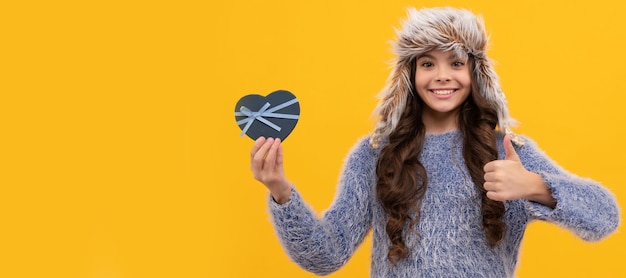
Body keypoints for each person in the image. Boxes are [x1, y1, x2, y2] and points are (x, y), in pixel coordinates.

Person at [249, 7, 620, 277]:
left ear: (475, 74)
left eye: (456, 63)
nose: (442, 76)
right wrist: (281, 192)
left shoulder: (507, 153)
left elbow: (605, 218)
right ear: (409, 74)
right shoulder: (374, 155)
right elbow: (325, 255)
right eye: (427, 64)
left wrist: (536, 187)